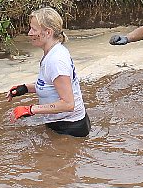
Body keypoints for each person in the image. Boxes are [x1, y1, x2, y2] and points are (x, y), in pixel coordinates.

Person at [6, 7, 90, 138]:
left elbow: (68, 104)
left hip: (70, 128)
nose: (29, 33)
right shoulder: (52, 53)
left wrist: (30, 109)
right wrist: (25, 88)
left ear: (48, 32)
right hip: (61, 123)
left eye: (34, 29)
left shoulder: (56, 61)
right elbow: (51, 86)